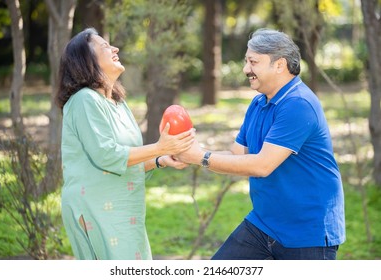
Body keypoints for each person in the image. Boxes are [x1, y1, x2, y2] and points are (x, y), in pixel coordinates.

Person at [177, 28, 346, 260]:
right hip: (265, 223)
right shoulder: (259, 103)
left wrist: (200, 157)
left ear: (279, 65)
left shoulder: (298, 103)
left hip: (307, 231)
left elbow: (262, 165)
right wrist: (188, 151)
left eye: (253, 62)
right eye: (246, 61)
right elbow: (236, 153)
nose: (246, 69)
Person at [56, 28, 195, 260]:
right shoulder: (84, 100)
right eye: (104, 46)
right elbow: (106, 155)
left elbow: (126, 161)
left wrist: (161, 160)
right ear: (85, 60)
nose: (115, 49)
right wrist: (161, 147)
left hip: (124, 211)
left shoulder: (118, 103)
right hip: (95, 209)